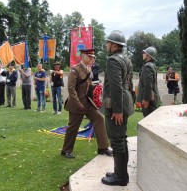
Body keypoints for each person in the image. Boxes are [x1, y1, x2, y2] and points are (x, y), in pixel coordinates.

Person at [61, 48, 112, 159]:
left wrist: (96, 87)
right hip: (76, 104)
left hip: (87, 102)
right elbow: (71, 89)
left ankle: (103, 147)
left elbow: (88, 87)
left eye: (93, 57)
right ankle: (66, 150)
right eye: (90, 56)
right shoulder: (75, 70)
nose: (92, 58)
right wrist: (78, 104)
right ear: (82, 55)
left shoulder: (89, 69)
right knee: (73, 127)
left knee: (99, 118)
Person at [100, 30, 134, 186]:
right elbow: (129, 83)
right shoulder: (126, 59)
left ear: (114, 45)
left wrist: (118, 110)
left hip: (115, 105)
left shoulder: (113, 60)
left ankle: (120, 177)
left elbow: (116, 86)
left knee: (117, 140)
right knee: (121, 139)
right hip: (124, 100)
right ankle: (120, 173)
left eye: (108, 42)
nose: (106, 45)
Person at [137, 46, 161, 117]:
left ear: (148, 55)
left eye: (144, 53)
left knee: (148, 120)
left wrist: (146, 100)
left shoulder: (148, 66)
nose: (143, 54)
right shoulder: (152, 65)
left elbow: (148, 85)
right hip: (151, 99)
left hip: (149, 100)